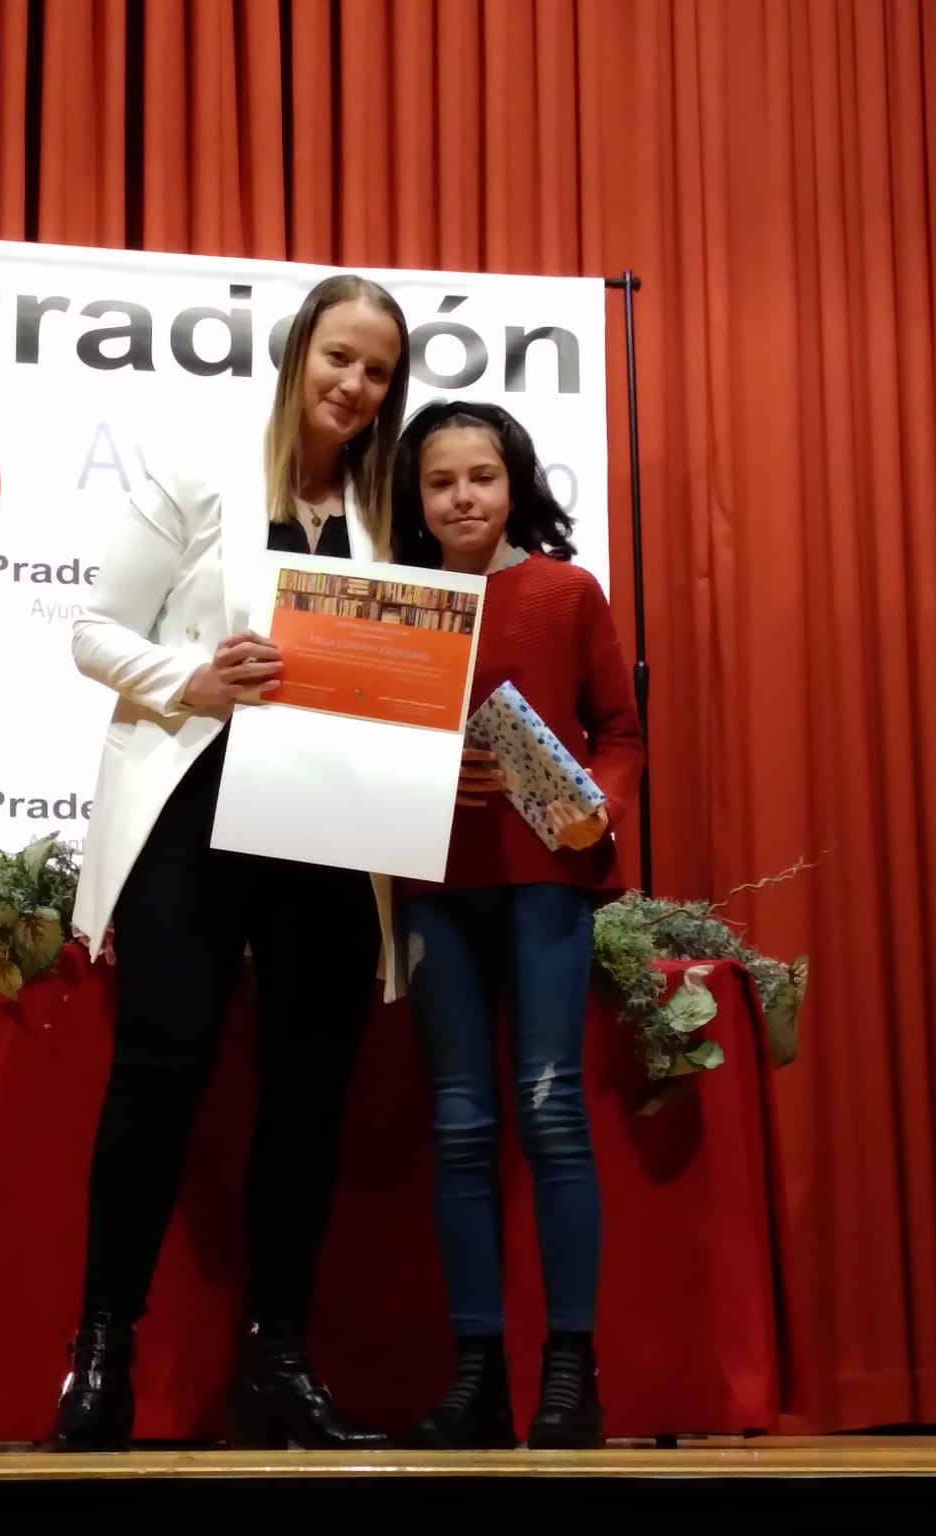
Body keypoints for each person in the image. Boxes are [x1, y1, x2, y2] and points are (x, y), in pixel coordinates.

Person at [53, 275, 411, 1451]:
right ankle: (100, 1352)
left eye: (376, 371)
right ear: (297, 350)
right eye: (339, 357)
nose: (353, 385)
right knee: (158, 1069)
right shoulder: (198, 471)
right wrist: (190, 679)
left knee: (307, 1096)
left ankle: (278, 1363)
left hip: (330, 823)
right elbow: (92, 632)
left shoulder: (387, 512)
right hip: (192, 805)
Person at [387, 400, 642, 1450]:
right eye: (440, 481)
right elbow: (355, 741)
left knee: (550, 1113)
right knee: (459, 1126)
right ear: (414, 498)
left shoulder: (566, 592)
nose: (462, 498)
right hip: (432, 883)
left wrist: (600, 802)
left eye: (481, 477)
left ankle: (571, 1375)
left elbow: (620, 730)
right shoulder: (394, 604)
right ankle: (476, 1378)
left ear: (515, 484)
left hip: (548, 879)